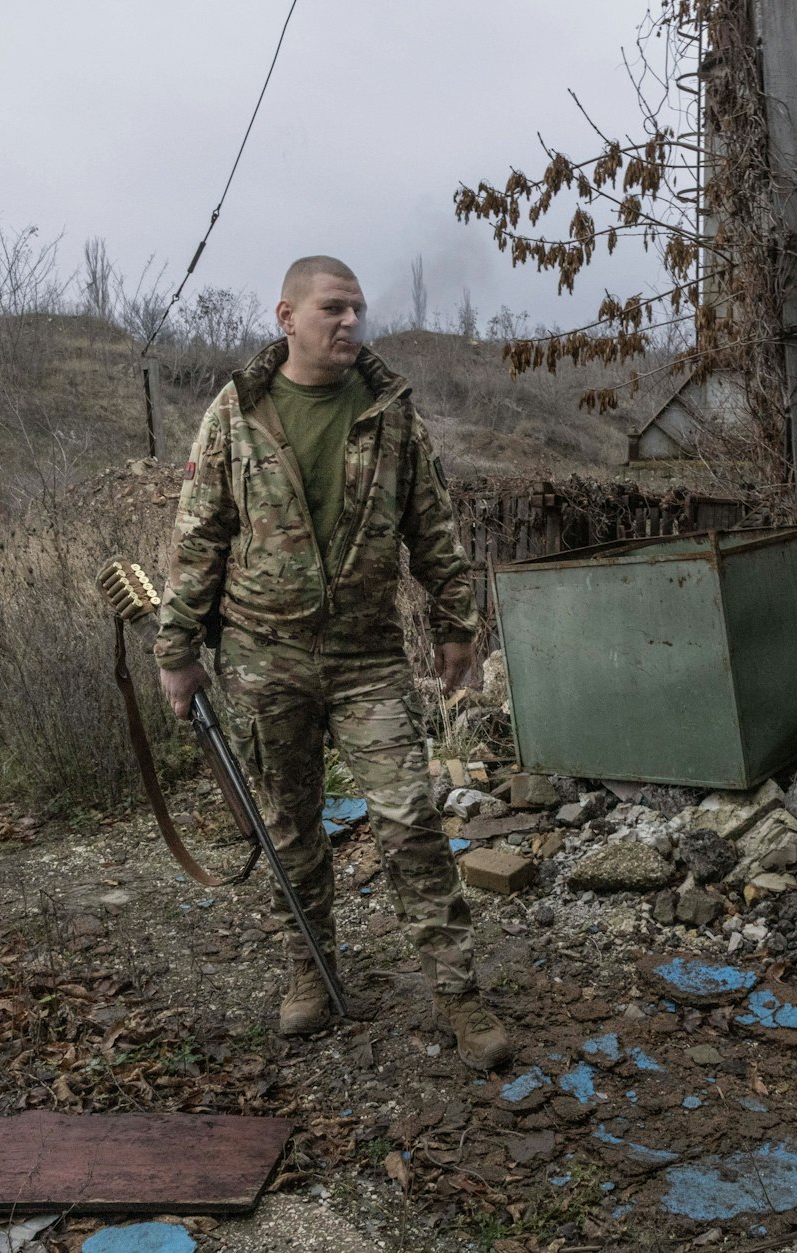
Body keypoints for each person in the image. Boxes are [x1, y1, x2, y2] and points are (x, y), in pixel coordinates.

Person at [153, 255, 512, 1070]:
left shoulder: (389, 412)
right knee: (289, 827)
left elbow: (434, 523)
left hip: (366, 658)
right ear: (286, 316)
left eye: (357, 309)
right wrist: (178, 651)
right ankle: (307, 973)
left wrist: (457, 623)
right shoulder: (236, 414)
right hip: (261, 656)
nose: (349, 322)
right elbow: (198, 536)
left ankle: (458, 993)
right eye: (332, 309)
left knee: (410, 822)